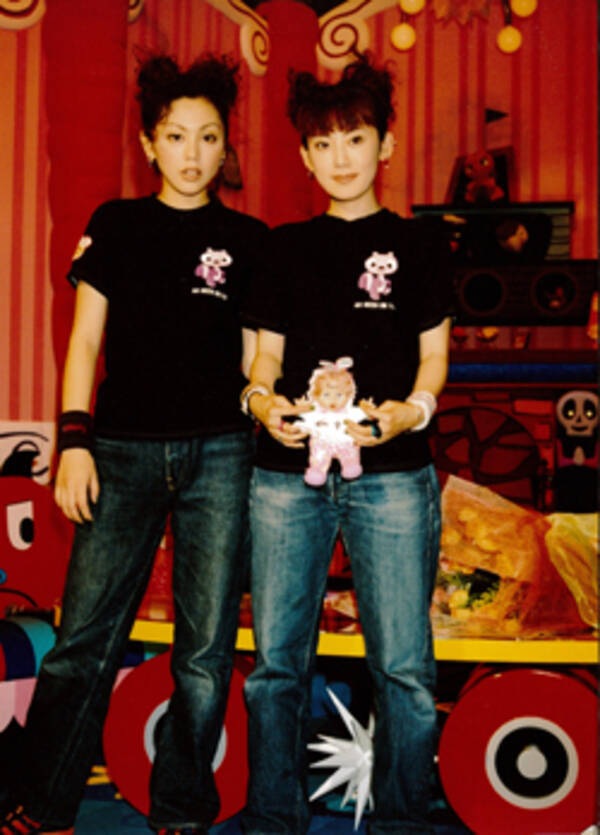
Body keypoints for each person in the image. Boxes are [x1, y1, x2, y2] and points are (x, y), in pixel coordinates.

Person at [1, 54, 267, 835]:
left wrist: (284, 404)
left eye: (208, 136)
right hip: (117, 451)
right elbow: (85, 342)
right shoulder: (115, 224)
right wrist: (73, 441)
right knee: (81, 639)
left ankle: (181, 808)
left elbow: (257, 358)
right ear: (150, 144)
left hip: (222, 453)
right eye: (175, 135)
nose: (192, 153)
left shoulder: (248, 240)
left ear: (225, 146)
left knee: (205, 650)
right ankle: (42, 803)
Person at [239, 55, 453, 835]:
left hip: (392, 475)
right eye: (323, 144)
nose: (341, 157)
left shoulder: (420, 245)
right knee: (275, 664)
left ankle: (402, 820)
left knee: (403, 667)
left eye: (356, 139)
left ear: (385, 145)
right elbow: (263, 356)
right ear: (304, 155)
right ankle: (273, 817)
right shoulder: (281, 247)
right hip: (283, 476)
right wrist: (263, 403)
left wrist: (409, 414)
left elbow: (434, 356)